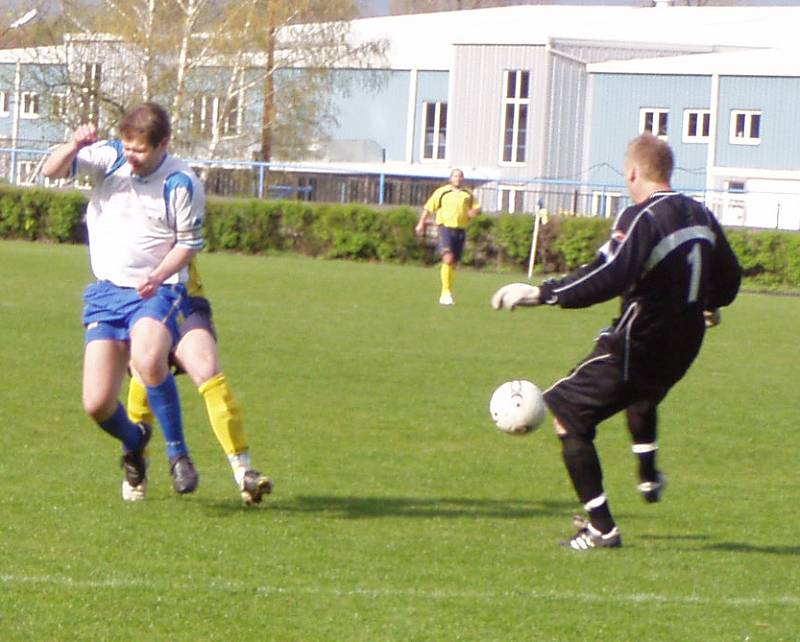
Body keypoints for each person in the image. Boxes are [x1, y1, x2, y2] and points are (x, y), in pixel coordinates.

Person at [491, 133, 741, 550]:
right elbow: (730, 278)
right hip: (684, 346)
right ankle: (648, 476)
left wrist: (543, 293)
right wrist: (709, 303)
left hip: (640, 340)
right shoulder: (699, 214)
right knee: (642, 397)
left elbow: (610, 274)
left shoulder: (642, 217)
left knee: (568, 413)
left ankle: (601, 527)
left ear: (632, 172)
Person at [42, 102, 203, 500]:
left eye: (141, 150)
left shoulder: (181, 181)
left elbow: (188, 244)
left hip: (155, 289)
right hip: (106, 293)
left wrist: (159, 275)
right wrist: (74, 144)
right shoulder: (109, 158)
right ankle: (135, 442)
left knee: (147, 359)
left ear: (164, 143)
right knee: (96, 404)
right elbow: (51, 171)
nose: (132, 156)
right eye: (128, 146)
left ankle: (178, 455)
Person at [126, 258, 274, 505]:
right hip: (139, 302)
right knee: (145, 370)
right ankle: (136, 466)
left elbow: (189, 241)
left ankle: (243, 471)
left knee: (208, 369)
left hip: (186, 299)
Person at [415, 168, 480, 305]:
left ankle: (449, 292)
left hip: (461, 229)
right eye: (455, 176)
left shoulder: (468, 194)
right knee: (448, 258)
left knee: (453, 263)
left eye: (460, 176)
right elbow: (429, 208)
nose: (458, 178)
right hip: (445, 228)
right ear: (451, 178)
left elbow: (477, 208)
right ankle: (445, 292)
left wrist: (474, 212)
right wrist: (421, 223)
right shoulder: (442, 192)